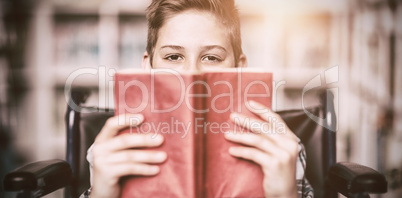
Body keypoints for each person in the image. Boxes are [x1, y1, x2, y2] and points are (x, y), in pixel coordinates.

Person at [84, 0, 314, 197]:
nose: (191, 73)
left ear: (239, 68)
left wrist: (285, 194)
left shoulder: (282, 149)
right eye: (173, 56)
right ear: (148, 65)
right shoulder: (111, 150)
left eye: (212, 57)